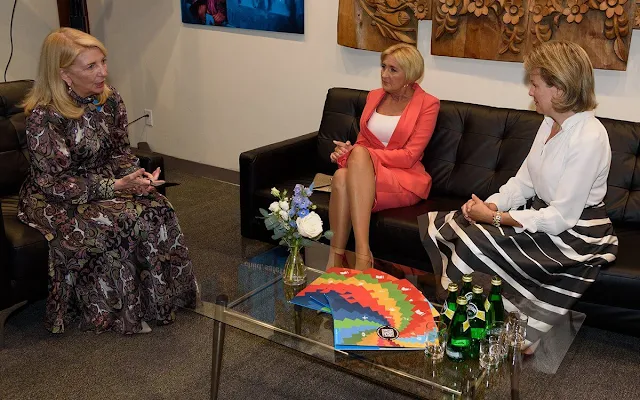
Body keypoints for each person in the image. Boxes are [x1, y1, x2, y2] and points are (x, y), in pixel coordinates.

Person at [418, 40, 618, 352]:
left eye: (535, 84)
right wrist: (492, 204)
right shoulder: (549, 122)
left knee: (476, 241)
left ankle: (457, 323)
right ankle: (480, 320)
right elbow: (524, 182)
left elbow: (561, 217)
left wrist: (495, 218)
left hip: (576, 229)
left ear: (559, 90)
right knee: (457, 222)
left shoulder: (589, 137)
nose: (530, 92)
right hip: (542, 214)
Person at [19, 28, 199, 335]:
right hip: (54, 199)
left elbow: (119, 152)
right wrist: (115, 187)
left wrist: (137, 176)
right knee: (122, 221)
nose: (103, 71)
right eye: (91, 66)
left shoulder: (110, 99)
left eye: (103, 61)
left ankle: (161, 301)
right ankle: (117, 313)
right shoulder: (44, 116)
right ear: (64, 75)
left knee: (158, 207)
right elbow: (55, 183)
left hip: (104, 184)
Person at [328, 43, 440, 270]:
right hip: (368, 173)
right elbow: (362, 142)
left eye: (392, 70)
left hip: (405, 178)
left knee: (356, 159)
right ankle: (335, 258)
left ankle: (361, 254)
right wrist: (346, 152)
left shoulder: (428, 104)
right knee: (340, 176)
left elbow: (410, 156)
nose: (384, 74)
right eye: (383, 67)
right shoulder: (374, 96)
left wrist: (365, 155)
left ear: (409, 75)